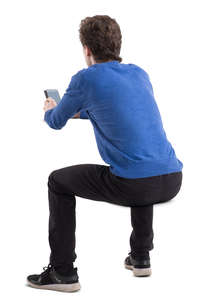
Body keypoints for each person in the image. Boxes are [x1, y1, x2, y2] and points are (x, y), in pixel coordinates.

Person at [26, 15, 183, 292]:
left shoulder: (85, 78)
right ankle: (140, 256)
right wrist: (82, 111)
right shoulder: (138, 73)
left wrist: (52, 108)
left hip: (134, 185)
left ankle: (62, 272)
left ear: (87, 49)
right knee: (138, 160)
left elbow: (55, 122)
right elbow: (120, 110)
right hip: (172, 179)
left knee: (57, 181)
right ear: (117, 44)